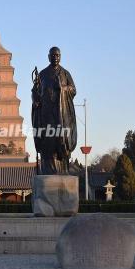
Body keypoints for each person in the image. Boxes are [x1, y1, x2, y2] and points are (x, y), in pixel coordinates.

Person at [32, 47, 77, 175]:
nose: (55, 57)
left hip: (61, 114)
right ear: (48, 57)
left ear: (60, 56)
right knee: (48, 140)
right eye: (53, 55)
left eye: (58, 55)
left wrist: (63, 88)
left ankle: (63, 169)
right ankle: (48, 169)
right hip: (46, 113)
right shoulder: (42, 74)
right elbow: (34, 91)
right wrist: (35, 100)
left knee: (62, 140)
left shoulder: (65, 74)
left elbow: (73, 90)